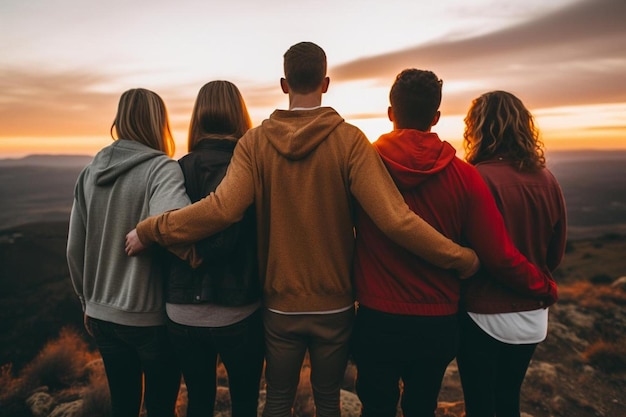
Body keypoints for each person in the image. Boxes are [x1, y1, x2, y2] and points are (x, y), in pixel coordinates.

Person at [125, 42, 479, 417]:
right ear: (325, 83)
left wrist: (152, 230)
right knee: (327, 397)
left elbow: (220, 210)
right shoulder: (350, 141)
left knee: (278, 398)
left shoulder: (255, 143)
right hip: (335, 305)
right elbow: (396, 220)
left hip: (278, 306)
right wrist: (462, 258)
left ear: (283, 83)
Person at [351, 69, 558, 417]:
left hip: (377, 316)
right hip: (437, 321)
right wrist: (542, 284)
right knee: (422, 406)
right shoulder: (465, 176)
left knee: (376, 407)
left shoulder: (362, 165)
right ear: (436, 117)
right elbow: (496, 251)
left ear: (390, 112)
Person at [66, 88, 189, 417]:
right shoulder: (161, 169)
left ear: (120, 120)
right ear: (158, 122)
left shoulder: (89, 173)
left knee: (123, 406)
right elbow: (176, 222)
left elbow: (73, 249)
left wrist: (86, 302)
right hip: (149, 318)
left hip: (102, 315)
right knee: (161, 408)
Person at [457, 90, 567, 417]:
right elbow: (554, 254)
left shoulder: (474, 178)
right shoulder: (548, 180)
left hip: (482, 313)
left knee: (480, 404)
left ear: (476, 128)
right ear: (523, 126)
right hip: (533, 316)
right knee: (508, 399)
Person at [165, 80, 264, 417]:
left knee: (199, 402)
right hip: (238, 309)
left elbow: (168, 231)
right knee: (245, 404)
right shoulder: (250, 168)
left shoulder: (177, 168)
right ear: (241, 116)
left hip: (181, 310)